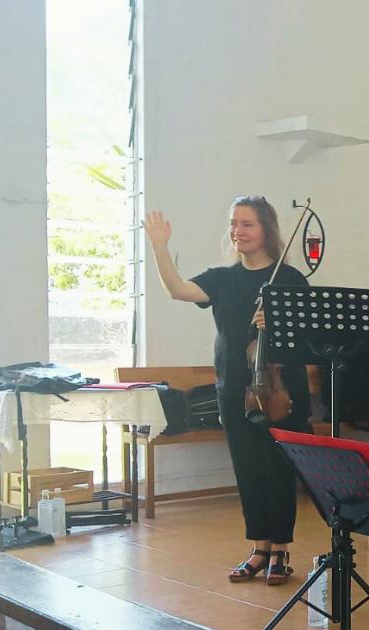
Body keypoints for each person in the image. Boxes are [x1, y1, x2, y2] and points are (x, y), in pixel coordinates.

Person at [143, 195, 312, 586]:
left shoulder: (289, 279)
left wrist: (279, 322)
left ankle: (281, 551)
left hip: (281, 391)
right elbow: (177, 290)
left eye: (247, 224)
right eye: (234, 224)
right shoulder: (222, 278)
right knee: (248, 470)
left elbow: (310, 340)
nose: (238, 231)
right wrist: (159, 245)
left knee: (277, 470)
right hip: (234, 390)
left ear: (266, 229)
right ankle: (258, 547)